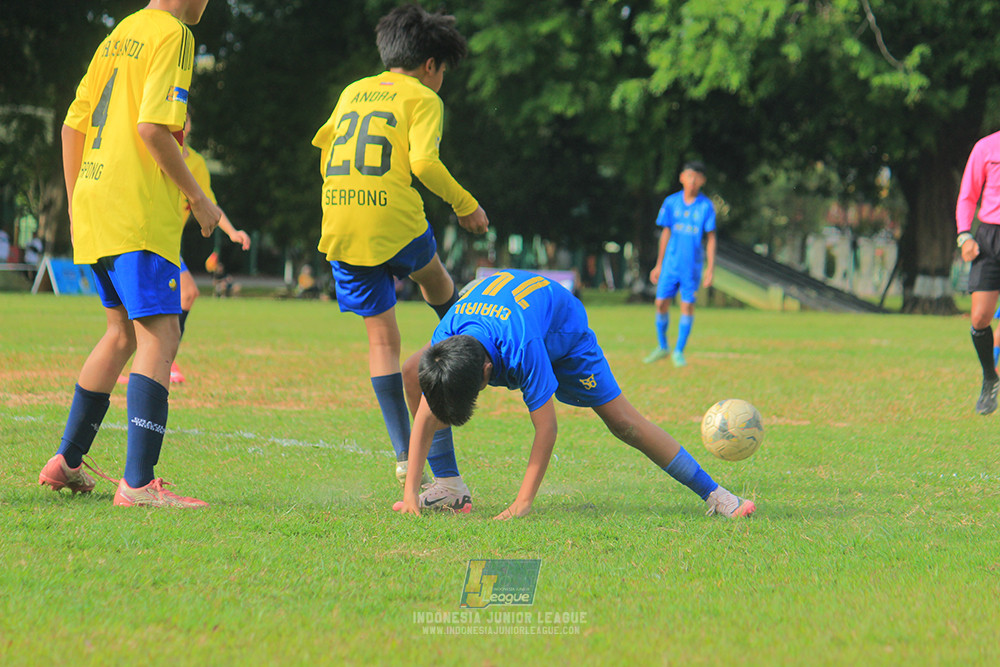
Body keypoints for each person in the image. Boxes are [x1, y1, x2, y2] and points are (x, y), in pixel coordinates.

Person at [38, 0, 220, 507]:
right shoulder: (174, 33)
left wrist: (76, 205)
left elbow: (72, 125)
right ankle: (138, 483)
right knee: (161, 333)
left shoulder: (118, 34)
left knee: (120, 333)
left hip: (95, 203)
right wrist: (200, 199)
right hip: (136, 209)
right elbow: (152, 129)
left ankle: (67, 462)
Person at [395, 269, 757, 520]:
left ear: (488, 372)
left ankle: (717, 495)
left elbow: (546, 429)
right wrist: (411, 491)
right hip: (502, 309)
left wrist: (523, 502)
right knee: (413, 371)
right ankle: (449, 487)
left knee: (624, 423)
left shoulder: (523, 346)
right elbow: (430, 408)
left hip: (563, 334)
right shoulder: (449, 333)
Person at [311, 3, 489, 487]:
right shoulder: (423, 98)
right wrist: (465, 204)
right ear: (431, 65)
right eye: (443, 72)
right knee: (437, 281)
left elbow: (326, 151)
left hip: (341, 216)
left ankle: (399, 451)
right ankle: (471, 344)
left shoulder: (353, 90)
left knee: (381, 341)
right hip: (392, 213)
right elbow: (425, 164)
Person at [173, 112, 250, 382]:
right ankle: (159, 363)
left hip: (168, 245)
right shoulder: (154, 150)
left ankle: (161, 362)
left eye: (187, 118)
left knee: (184, 295)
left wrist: (232, 232)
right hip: (149, 240)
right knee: (185, 294)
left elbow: (209, 204)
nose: (182, 122)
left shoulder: (195, 163)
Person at [644, 161, 716, 367]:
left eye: (697, 177)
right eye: (689, 175)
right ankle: (662, 346)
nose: (692, 180)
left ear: (702, 180)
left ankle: (679, 351)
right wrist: (658, 264)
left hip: (691, 267)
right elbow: (665, 233)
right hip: (670, 265)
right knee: (660, 303)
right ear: (682, 177)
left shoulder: (705, 206)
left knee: (687, 306)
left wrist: (710, 268)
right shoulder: (671, 203)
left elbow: (711, 238)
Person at [957, 130, 1000, 415]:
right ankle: (990, 376)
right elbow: (967, 196)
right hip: (990, 238)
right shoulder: (986, 147)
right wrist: (964, 236)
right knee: (980, 317)